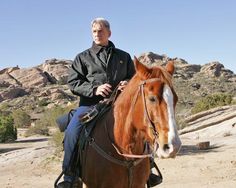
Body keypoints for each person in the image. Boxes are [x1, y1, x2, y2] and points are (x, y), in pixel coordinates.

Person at [57, 18, 135, 188]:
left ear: (109, 33)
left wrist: (128, 83)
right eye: (94, 31)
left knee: (142, 125)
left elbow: (134, 77)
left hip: (119, 104)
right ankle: (69, 176)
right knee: (72, 131)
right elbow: (73, 83)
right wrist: (94, 89)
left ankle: (149, 168)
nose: (97, 34)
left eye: (100, 31)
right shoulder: (82, 57)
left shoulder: (124, 56)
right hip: (90, 105)